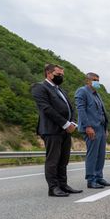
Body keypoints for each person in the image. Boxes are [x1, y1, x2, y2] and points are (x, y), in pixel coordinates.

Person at [32, 64, 82, 197]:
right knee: (53, 160)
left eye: (62, 75)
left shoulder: (61, 90)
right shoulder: (40, 88)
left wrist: (73, 122)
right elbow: (46, 109)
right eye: (58, 74)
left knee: (63, 160)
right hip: (51, 130)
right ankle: (53, 187)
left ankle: (63, 185)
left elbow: (70, 108)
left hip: (65, 130)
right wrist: (65, 124)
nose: (61, 77)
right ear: (49, 73)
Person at [75, 72, 110, 189]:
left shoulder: (97, 94)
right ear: (88, 80)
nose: (97, 82)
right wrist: (87, 126)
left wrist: (105, 128)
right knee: (92, 154)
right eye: (95, 80)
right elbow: (81, 110)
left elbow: (101, 112)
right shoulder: (82, 91)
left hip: (100, 128)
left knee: (101, 154)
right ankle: (91, 179)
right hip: (91, 128)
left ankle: (98, 177)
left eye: (98, 80)